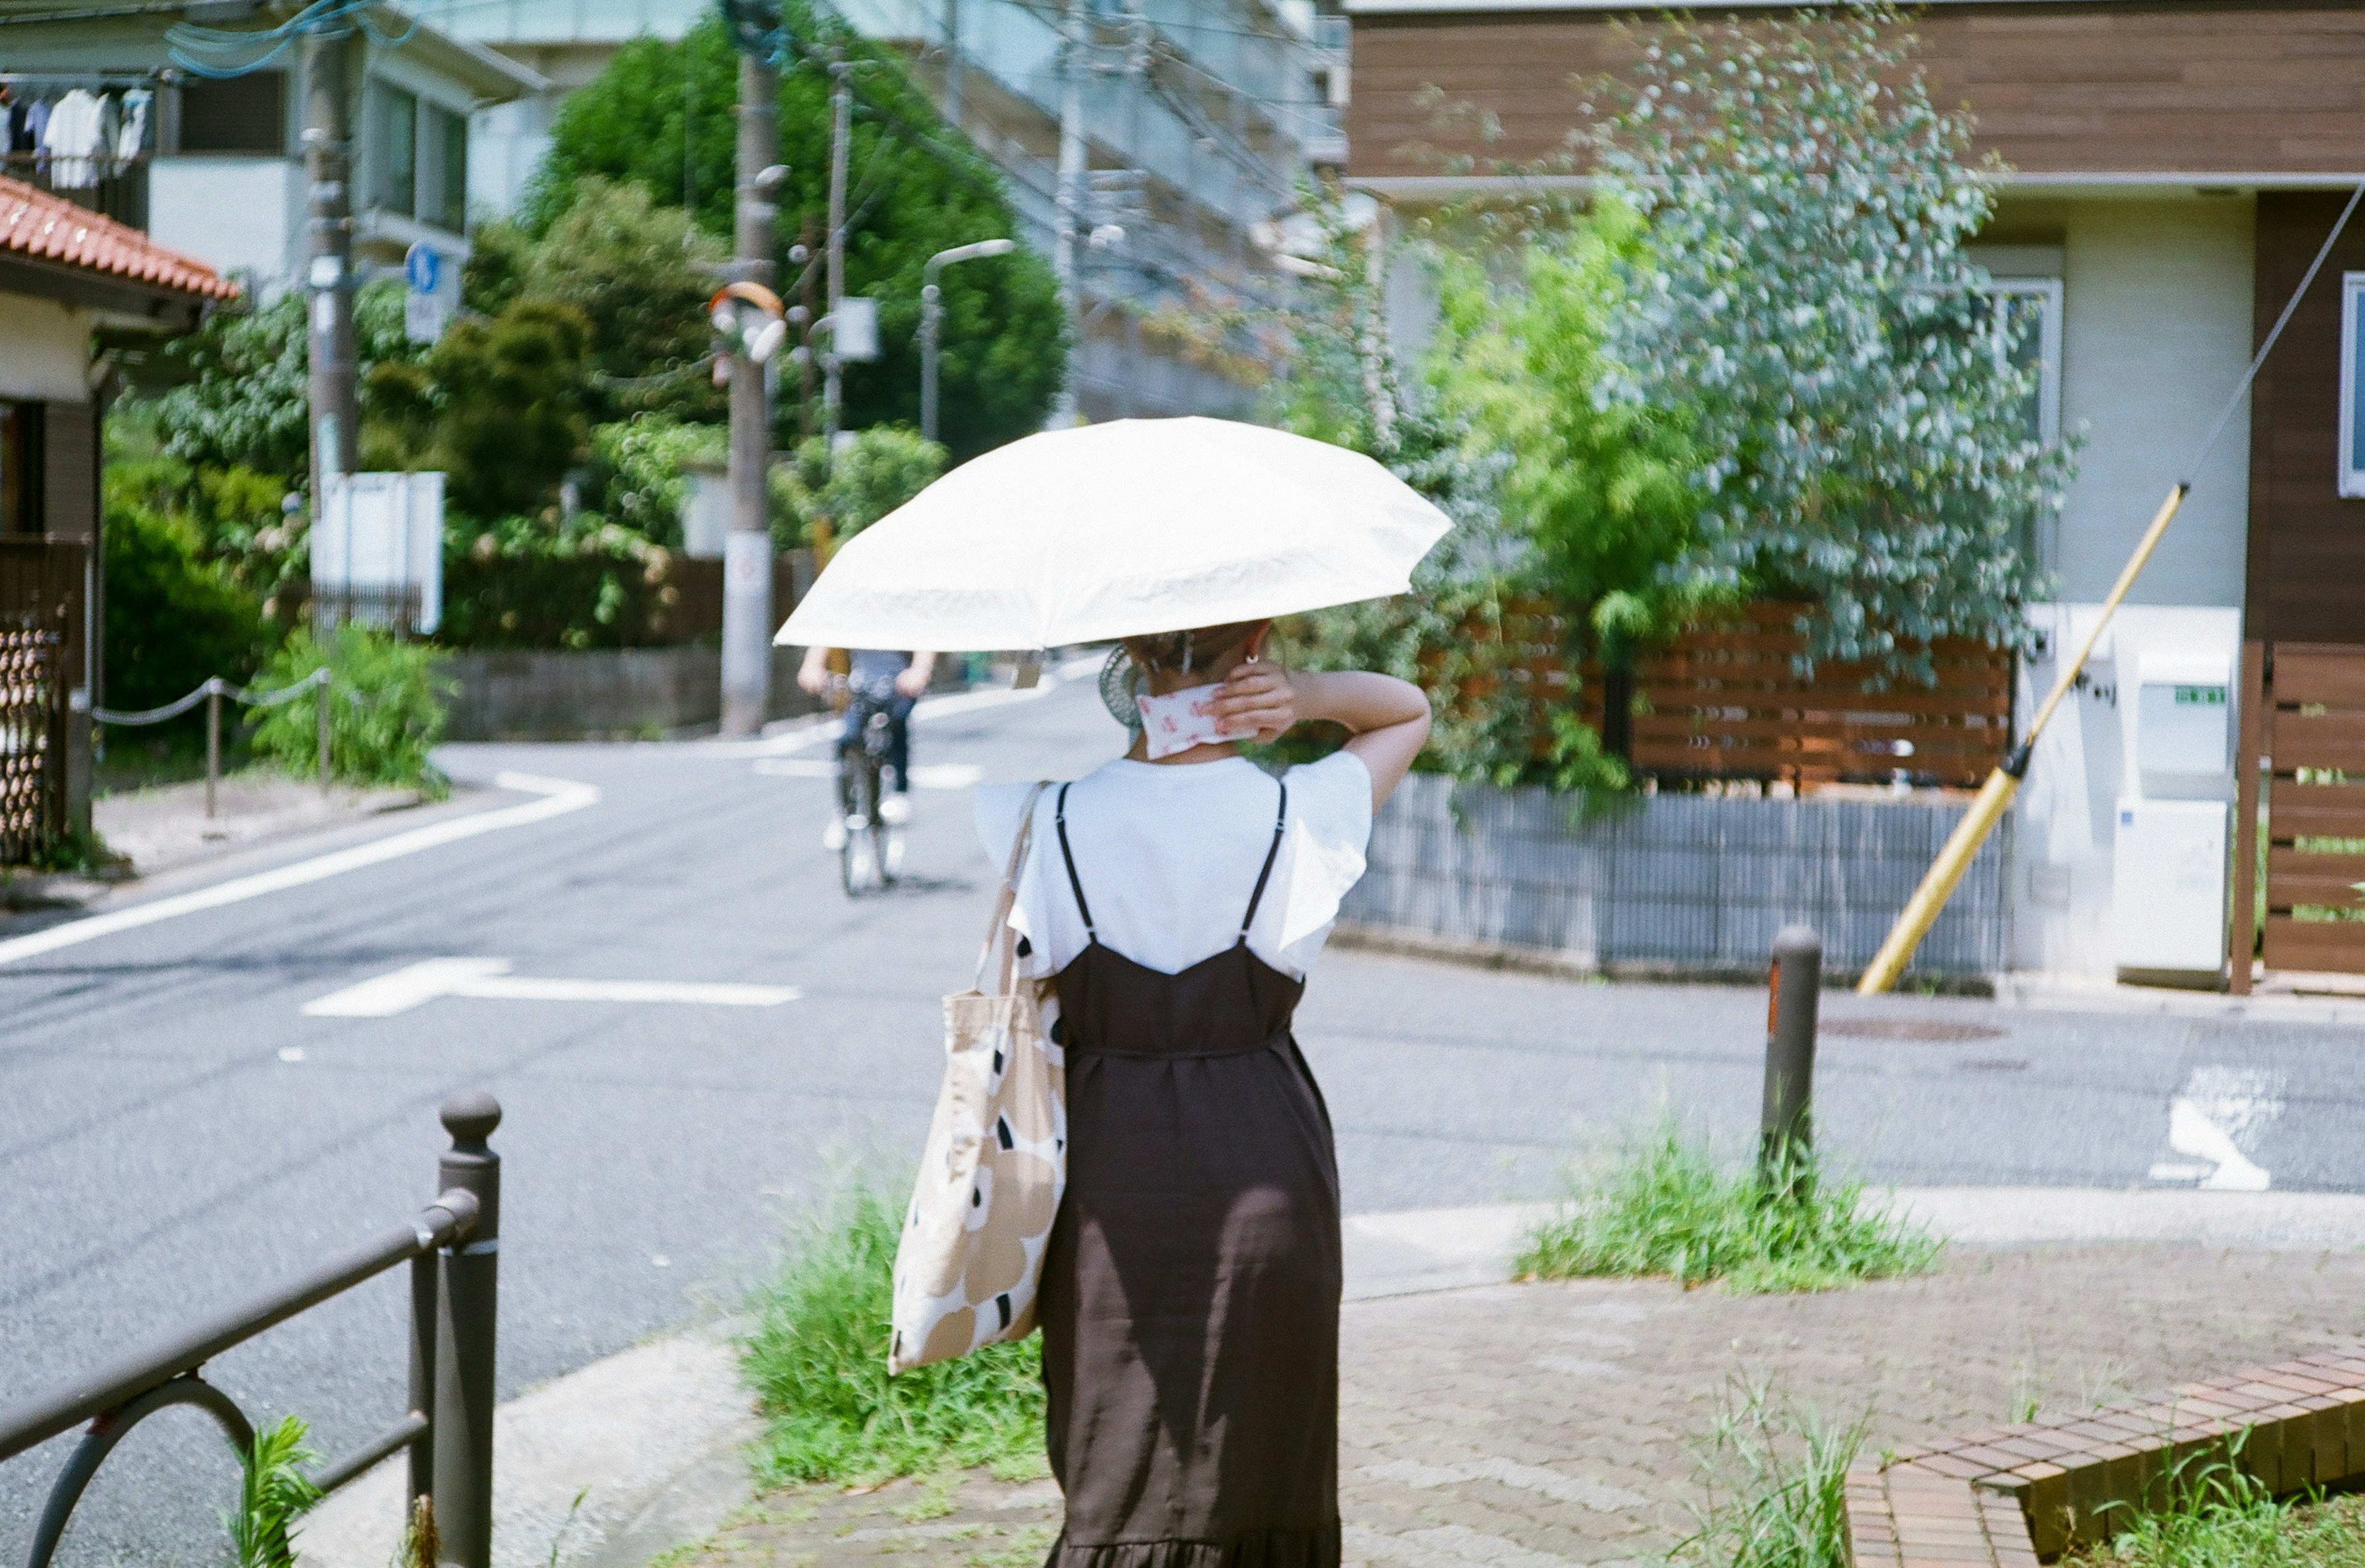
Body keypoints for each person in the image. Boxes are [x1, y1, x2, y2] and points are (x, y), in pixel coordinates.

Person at [975, 620, 1429, 1568]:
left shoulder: (1038, 817)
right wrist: (1301, 695)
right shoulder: (1299, 810)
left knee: (1114, 1448)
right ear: (1256, 641)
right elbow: (1406, 712)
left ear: (1124, 651)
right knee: (1264, 1459)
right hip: (1268, 1161)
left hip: (1105, 1172)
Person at [799, 645, 935, 848]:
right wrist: (812, 665)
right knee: (847, 739)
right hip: (860, 689)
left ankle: (899, 792)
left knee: (897, 723)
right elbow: (826, 631)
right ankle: (843, 813)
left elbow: (924, 638)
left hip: (899, 686)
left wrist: (920, 670)